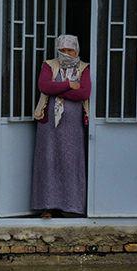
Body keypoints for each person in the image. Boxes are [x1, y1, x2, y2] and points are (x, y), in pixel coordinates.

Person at [31, 34, 91, 218]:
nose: (66, 53)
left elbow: (83, 92)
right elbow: (45, 86)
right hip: (50, 126)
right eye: (62, 50)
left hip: (73, 126)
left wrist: (59, 88)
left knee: (71, 162)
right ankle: (47, 206)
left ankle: (71, 207)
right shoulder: (49, 65)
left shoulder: (84, 68)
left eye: (70, 50)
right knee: (48, 161)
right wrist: (69, 85)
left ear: (77, 51)